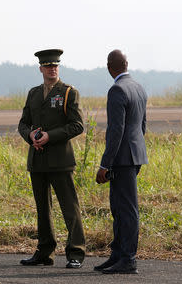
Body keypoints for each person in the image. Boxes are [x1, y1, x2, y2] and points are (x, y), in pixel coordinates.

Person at [18, 49, 85, 269]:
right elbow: (23, 123)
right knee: (42, 209)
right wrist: (30, 136)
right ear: (41, 68)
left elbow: (77, 125)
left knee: (69, 207)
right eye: (48, 66)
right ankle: (44, 252)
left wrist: (50, 136)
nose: (52, 69)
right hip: (38, 159)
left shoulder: (68, 92)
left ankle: (75, 252)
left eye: (55, 65)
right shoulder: (34, 93)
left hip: (60, 160)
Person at [95, 49, 148, 274]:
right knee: (118, 208)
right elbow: (142, 126)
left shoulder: (117, 90)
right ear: (126, 64)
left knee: (126, 210)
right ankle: (117, 255)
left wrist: (105, 164)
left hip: (122, 159)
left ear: (109, 67)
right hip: (134, 155)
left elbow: (116, 130)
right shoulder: (138, 87)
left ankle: (128, 259)